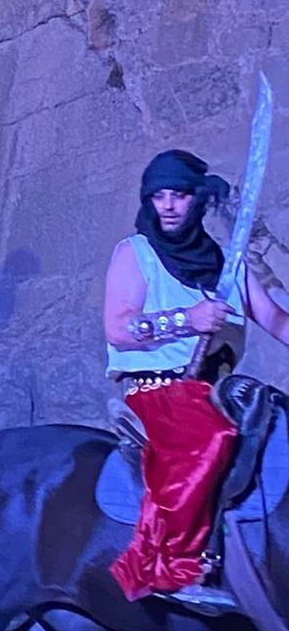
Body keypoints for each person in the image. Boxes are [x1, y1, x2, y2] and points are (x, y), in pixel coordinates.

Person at [105, 149, 289, 605]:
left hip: (215, 390)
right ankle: (176, 568)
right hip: (155, 390)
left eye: (179, 196)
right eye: (159, 196)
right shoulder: (136, 254)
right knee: (210, 440)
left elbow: (278, 321)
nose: (167, 205)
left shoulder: (229, 266)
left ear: (197, 202)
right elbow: (118, 328)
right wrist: (187, 319)